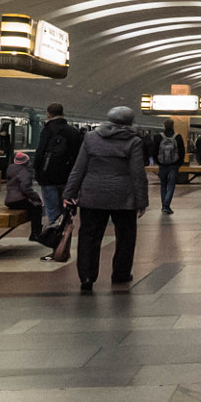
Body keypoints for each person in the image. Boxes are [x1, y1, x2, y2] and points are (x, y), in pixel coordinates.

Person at [63, 106, 149, 293]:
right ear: (130, 122)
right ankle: (120, 274)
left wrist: (69, 193)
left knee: (89, 238)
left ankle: (87, 277)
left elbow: (79, 168)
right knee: (126, 238)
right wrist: (142, 200)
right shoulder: (134, 141)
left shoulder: (91, 138)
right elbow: (137, 173)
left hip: (92, 195)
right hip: (123, 197)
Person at [33, 103, 84, 218]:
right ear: (63, 113)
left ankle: (55, 233)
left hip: (48, 177)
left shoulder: (47, 130)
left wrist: (37, 171)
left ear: (48, 114)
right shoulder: (73, 131)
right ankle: (65, 233)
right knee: (66, 209)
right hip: (68, 177)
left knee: (52, 209)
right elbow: (79, 155)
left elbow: (40, 152)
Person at [3, 148, 43, 239]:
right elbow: (25, 189)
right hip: (19, 200)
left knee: (31, 207)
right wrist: (36, 197)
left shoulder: (11, 169)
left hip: (9, 201)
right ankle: (35, 233)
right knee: (37, 207)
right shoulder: (25, 172)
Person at [156, 122, 184, 215]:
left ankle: (164, 205)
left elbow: (154, 150)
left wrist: (158, 162)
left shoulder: (158, 137)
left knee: (163, 185)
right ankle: (166, 205)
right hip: (174, 165)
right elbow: (182, 151)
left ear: (164, 125)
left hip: (162, 164)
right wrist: (179, 163)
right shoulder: (178, 137)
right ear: (173, 126)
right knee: (171, 185)